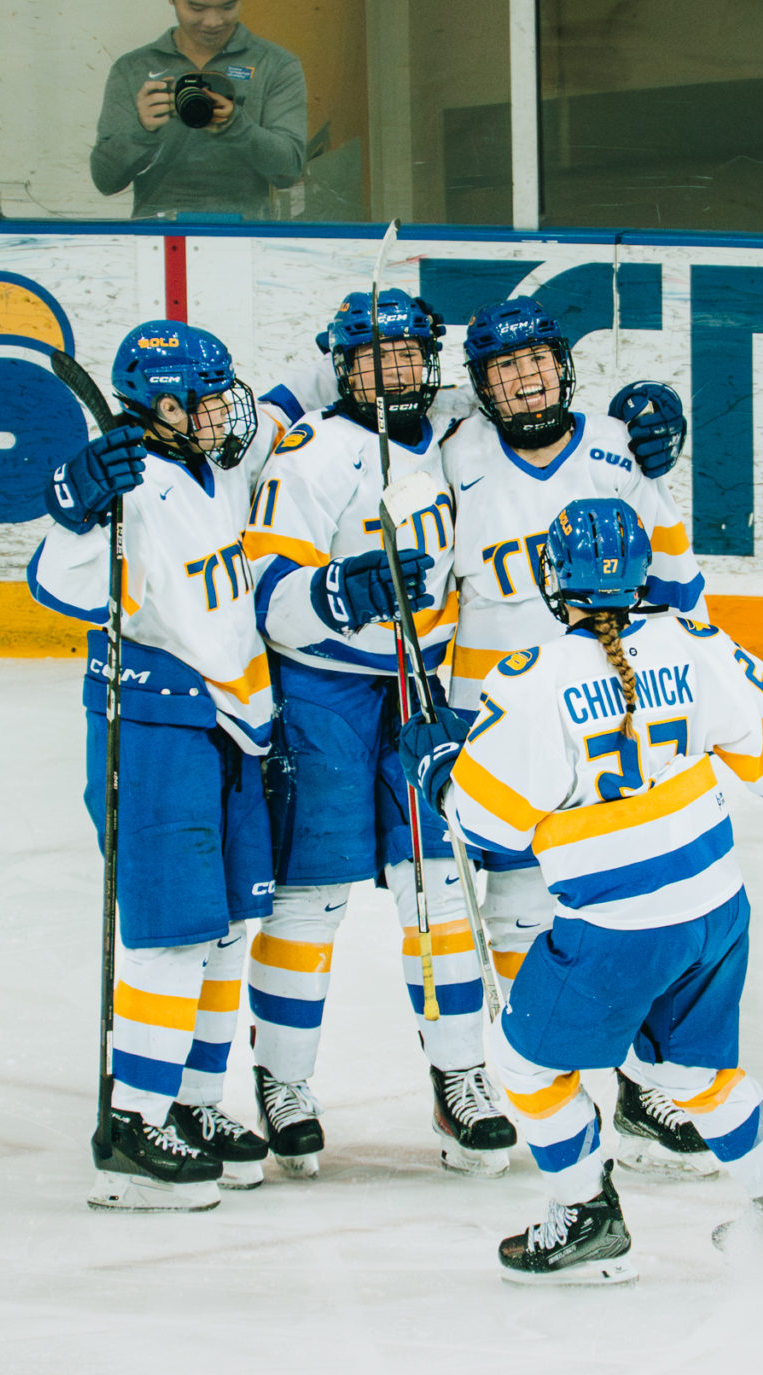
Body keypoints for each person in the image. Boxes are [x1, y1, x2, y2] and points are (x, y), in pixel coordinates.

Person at [397, 500, 763, 1283]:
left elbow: (487, 827)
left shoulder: (536, 682)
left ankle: (585, 1219)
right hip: (716, 913)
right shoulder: (694, 641)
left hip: (618, 931)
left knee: (519, 1065)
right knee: (696, 1071)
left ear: (555, 581)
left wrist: (437, 767)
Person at [238, 290, 514, 1177]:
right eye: (375, 357)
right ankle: (283, 1082)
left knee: (437, 886)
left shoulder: (449, 435)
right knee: (310, 899)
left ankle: (460, 1078)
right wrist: (330, 593)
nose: (395, 372)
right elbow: (268, 593)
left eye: (409, 356)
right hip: (324, 694)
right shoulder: (310, 454)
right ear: (344, 364)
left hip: (420, 689)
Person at [439, 297, 713, 1180]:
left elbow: (672, 572)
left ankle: (640, 1081)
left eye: (536, 363)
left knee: (629, 904)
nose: (523, 381)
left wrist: (700, 677)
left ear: (563, 365)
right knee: (516, 908)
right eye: (502, 370)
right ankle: (515, 1073)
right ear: (479, 385)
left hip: (604, 712)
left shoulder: (614, 448)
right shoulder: (454, 452)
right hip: (495, 713)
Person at [26, 320, 277, 1211]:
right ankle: (132, 1123)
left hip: (230, 724)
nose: (224, 410)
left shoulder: (218, 465)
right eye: (207, 398)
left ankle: (193, 1104)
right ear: (164, 408)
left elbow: (294, 411)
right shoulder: (127, 485)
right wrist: (75, 503)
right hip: (156, 725)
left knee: (216, 935)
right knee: (171, 937)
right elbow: (58, 585)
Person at [91, 0, 308, 220]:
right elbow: (105, 181)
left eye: (227, 7)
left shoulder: (275, 64)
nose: (213, 22)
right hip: (158, 236)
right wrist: (141, 131)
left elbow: (289, 172)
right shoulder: (133, 68)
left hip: (244, 234)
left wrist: (236, 125)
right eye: (197, 8)